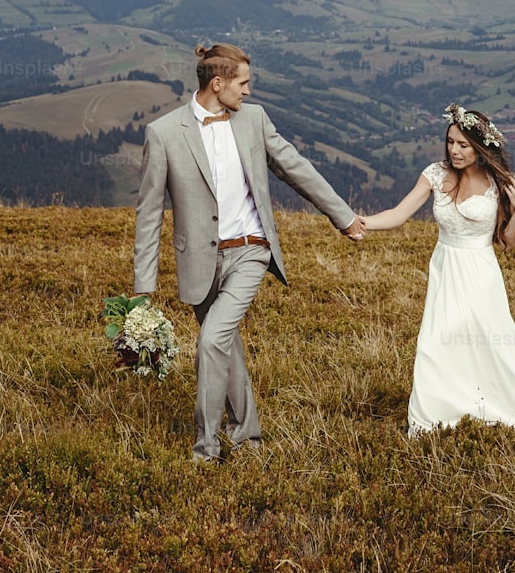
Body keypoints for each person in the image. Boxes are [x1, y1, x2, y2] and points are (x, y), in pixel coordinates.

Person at [133, 42, 364, 461]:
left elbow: (296, 168)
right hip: (199, 261)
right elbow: (149, 214)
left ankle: (205, 449)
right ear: (217, 83)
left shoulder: (254, 120)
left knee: (210, 341)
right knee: (226, 346)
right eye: (243, 83)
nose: (248, 91)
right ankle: (249, 435)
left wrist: (343, 216)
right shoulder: (164, 133)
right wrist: (143, 286)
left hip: (250, 252)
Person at [357, 103, 515, 437]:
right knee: (436, 342)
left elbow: (509, 242)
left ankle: (495, 402)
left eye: (463, 144)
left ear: (480, 147)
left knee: (491, 344)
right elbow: (400, 213)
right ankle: (437, 412)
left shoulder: (499, 184)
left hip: (480, 274)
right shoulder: (434, 174)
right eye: (451, 142)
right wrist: (363, 223)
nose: (454, 150)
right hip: (446, 268)